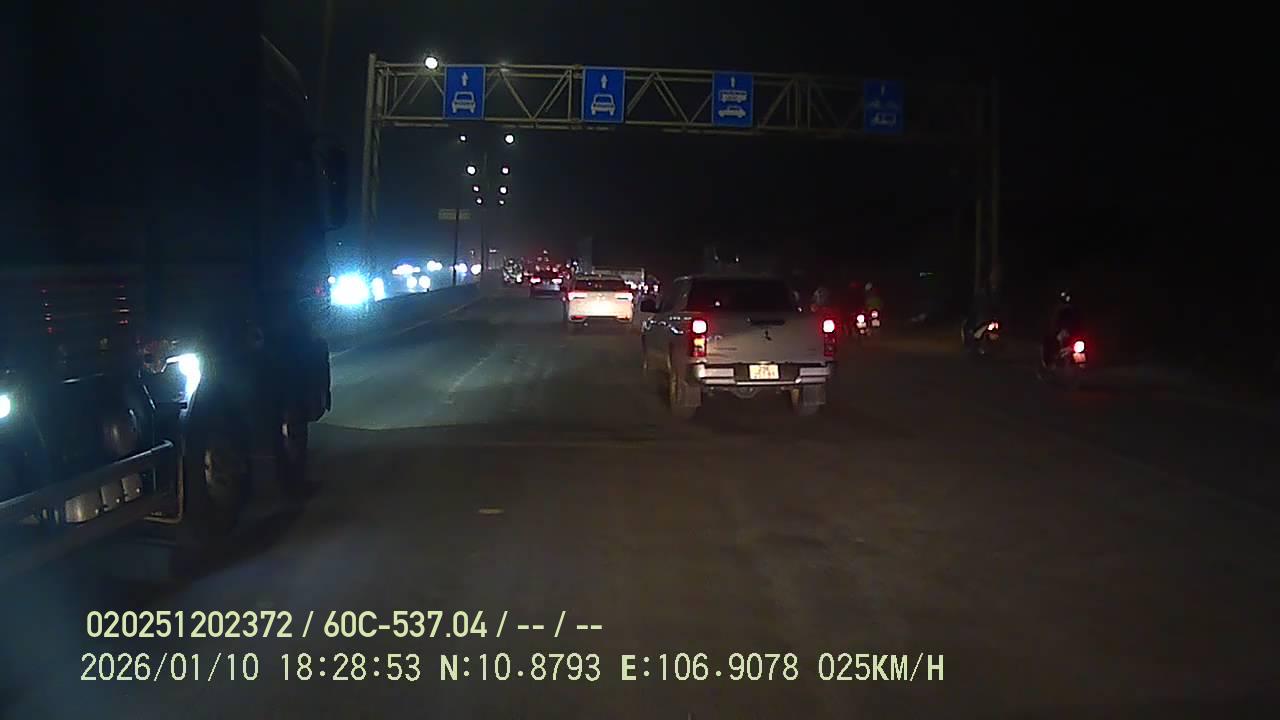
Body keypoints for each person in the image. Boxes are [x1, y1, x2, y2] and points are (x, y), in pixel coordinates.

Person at [1042, 290, 1081, 366]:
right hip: (1063, 333)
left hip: (1072, 335)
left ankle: (1049, 362)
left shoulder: (1074, 310)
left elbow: (1080, 324)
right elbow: (1054, 322)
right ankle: (1049, 362)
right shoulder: (1060, 310)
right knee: (1048, 342)